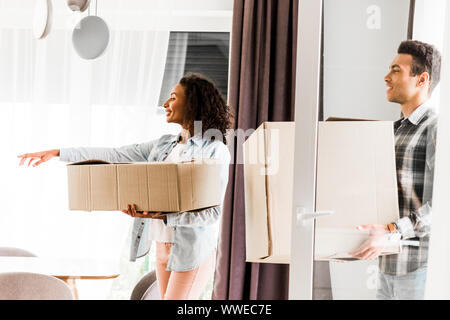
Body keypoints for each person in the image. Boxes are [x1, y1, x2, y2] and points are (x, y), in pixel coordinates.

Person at [17, 73, 233, 300]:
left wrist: (163, 216)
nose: (165, 104)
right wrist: (58, 153)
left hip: (192, 251)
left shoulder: (214, 150)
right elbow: (114, 154)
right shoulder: (163, 146)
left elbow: (212, 213)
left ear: (193, 103)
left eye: (172, 97)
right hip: (162, 246)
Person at [349, 40, 441, 300]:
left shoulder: (436, 129)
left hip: (419, 269)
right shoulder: (393, 130)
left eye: (396, 70)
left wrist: (392, 230)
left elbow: (442, 206)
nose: (386, 77)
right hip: (388, 266)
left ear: (422, 79)